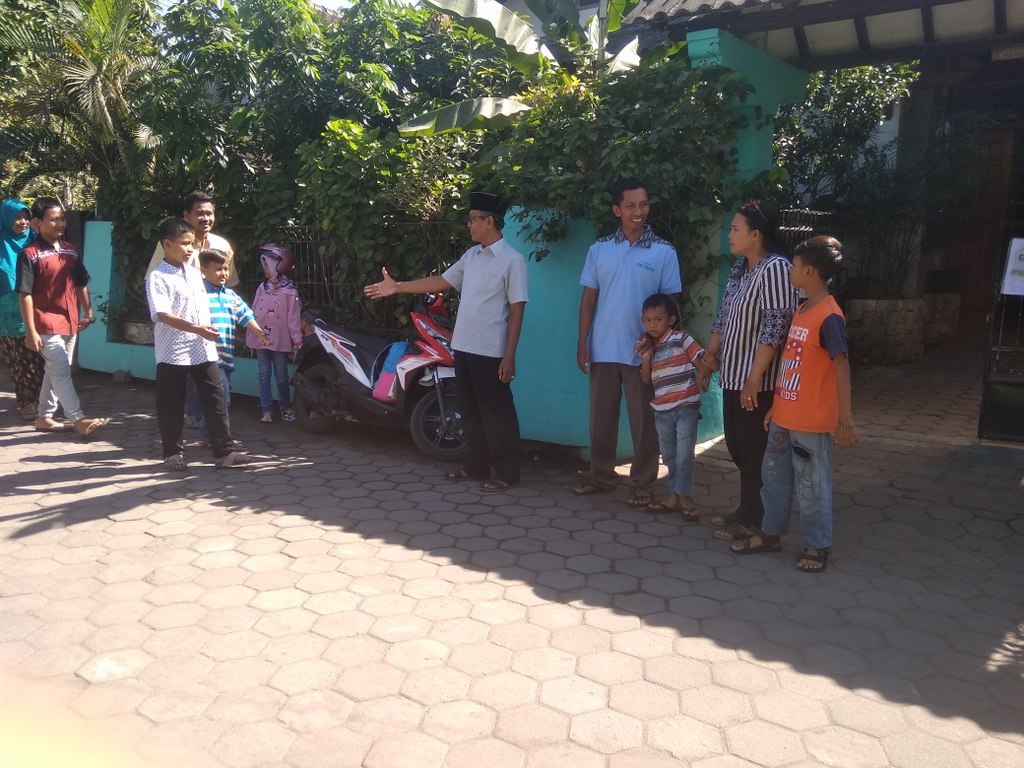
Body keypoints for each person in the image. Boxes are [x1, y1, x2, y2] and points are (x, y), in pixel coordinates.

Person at [364, 191, 528, 491]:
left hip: (491, 351)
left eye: (474, 220)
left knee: (497, 413)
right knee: (470, 410)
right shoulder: (471, 256)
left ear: (490, 222)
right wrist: (398, 286)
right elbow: (441, 281)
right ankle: (476, 466)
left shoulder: (512, 261)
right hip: (463, 346)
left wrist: (510, 355)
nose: (469, 225)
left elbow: (518, 309)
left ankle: (507, 473)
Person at [730, 236, 857, 573]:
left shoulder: (830, 317)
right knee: (773, 477)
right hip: (785, 416)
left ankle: (817, 546)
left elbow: (842, 367)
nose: (790, 271)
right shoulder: (802, 310)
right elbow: (793, 363)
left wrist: (845, 420)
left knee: (811, 484)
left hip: (810, 423)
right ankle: (770, 533)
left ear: (810, 271)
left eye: (795, 266)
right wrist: (777, 406)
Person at [574, 178, 682, 508]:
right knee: (601, 420)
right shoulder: (600, 249)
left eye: (644, 204)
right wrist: (582, 341)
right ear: (616, 210)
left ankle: (642, 483)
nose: (639, 211)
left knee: (644, 423)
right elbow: (589, 299)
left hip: (644, 354)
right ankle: (601, 477)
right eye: (631, 205)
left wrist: (659, 345)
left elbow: (671, 304)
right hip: (603, 348)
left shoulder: (663, 251)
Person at [701, 199, 797, 541]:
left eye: (735, 229)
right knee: (738, 447)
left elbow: (775, 327)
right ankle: (747, 510)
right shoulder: (741, 268)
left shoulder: (776, 269)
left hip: (758, 382)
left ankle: (754, 519)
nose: (729, 234)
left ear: (756, 235)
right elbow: (724, 315)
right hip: (733, 376)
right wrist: (709, 356)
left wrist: (755, 378)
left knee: (755, 451)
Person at [145, 217, 247, 469]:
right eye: (184, 243)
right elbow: (162, 314)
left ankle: (224, 452)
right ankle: (173, 454)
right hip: (173, 351)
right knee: (171, 403)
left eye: (192, 244)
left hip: (203, 348)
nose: (190, 249)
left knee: (216, 398)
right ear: (167, 244)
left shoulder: (194, 273)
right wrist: (196, 328)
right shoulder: (157, 277)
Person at [16, 197, 108, 437]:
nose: (60, 224)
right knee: (61, 370)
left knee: (56, 369)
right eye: (53, 219)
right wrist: (30, 331)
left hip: (70, 321)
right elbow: (25, 294)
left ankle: (44, 417)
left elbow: (80, 282)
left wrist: (88, 312)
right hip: (44, 322)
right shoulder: (29, 254)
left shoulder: (70, 250)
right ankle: (78, 419)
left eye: (62, 219)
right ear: (37, 223)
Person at [637, 293, 707, 519]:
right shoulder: (648, 346)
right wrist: (646, 357)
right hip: (661, 411)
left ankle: (685, 498)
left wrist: (703, 376)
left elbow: (700, 362)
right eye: (648, 320)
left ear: (671, 320)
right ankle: (675, 496)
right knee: (669, 455)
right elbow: (646, 380)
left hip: (686, 407)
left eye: (658, 319)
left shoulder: (682, 338)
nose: (652, 325)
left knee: (684, 454)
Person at [197, 249, 271, 442]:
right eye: (218, 269)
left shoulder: (230, 296)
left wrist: (260, 334)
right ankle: (219, 438)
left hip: (226, 357)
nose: (223, 273)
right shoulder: (198, 295)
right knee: (222, 397)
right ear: (203, 271)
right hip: (207, 356)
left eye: (225, 269)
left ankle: (208, 435)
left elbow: (246, 316)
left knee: (218, 397)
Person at [0, 198, 45, 420]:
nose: (23, 222)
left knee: (38, 357)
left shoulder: (37, 241)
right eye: (17, 218)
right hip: (7, 313)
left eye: (26, 217)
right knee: (19, 359)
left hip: (35, 306)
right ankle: (27, 403)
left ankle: (42, 401)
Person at [247, 244, 302, 423]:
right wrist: (251, 337)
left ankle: (285, 407)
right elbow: (253, 312)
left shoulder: (290, 292)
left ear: (278, 266)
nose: (264, 268)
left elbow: (293, 319)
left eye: (267, 264)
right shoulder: (262, 288)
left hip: (281, 341)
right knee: (264, 375)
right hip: (261, 339)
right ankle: (266, 410)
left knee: (281, 376)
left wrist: (298, 341)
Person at [145, 191, 238, 287]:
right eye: (200, 214)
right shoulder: (171, 245)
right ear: (186, 215)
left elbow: (230, 283)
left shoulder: (222, 245)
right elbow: (153, 282)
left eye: (209, 214)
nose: (206, 219)